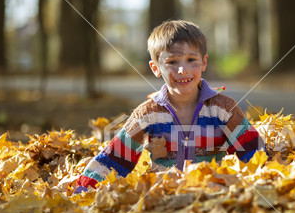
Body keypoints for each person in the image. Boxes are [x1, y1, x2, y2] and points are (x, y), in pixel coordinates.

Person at [75, 20, 264, 193]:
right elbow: (114, 158)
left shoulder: (223, 109)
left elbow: (254, 153)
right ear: (155, 68)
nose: (183, 70)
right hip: (164, 199)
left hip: (212, 197)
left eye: (191, 60)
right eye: (172, 62)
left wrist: (266, 185)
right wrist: (83, 191)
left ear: (203, 62)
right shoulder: (149, 113)